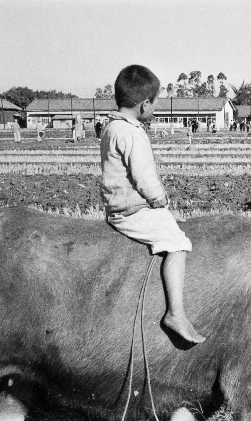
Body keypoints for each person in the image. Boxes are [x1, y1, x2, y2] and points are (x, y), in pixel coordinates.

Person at [100, 64, 205, 345]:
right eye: (155, 103)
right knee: (178, 243)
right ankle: (175, 313)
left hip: (118, 206)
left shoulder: (113, 126)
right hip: (132, 211)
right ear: (145, 104)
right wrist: (162, 202)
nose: (155, 109)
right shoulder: (133, 133)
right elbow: (144, 177)